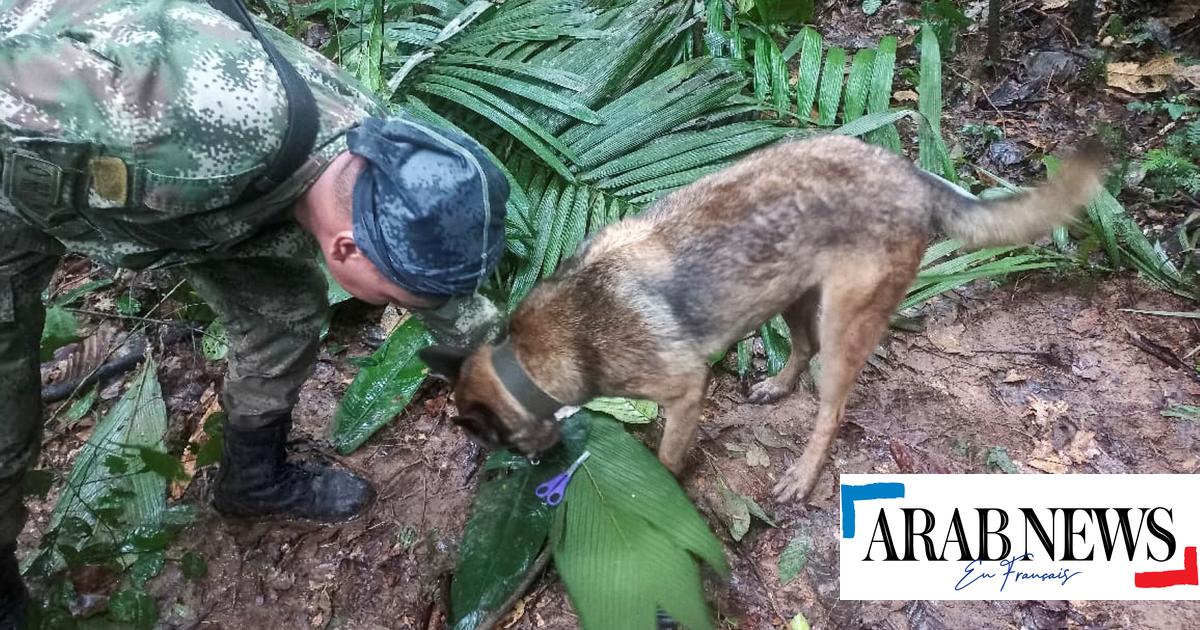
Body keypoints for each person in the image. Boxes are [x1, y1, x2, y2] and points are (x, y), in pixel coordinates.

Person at [0, 0, 509, 625]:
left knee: (284, 315)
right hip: (22, 179)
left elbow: (440, 291)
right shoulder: (175, 133)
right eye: (398, 298)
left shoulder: (377, 158)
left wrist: (516, 386)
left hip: (201, 202)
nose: (407, 308)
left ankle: (253, 479)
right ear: (344, 248)